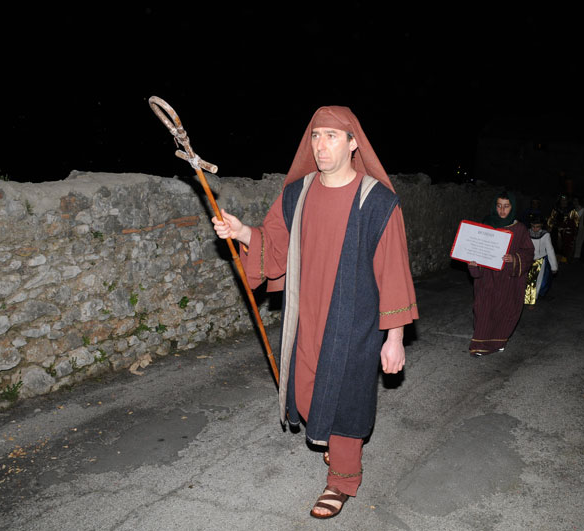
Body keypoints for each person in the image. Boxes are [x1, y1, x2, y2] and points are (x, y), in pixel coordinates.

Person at [211, 106, 418, 519]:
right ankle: (330, 437)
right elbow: (274, 243)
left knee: (346, 397)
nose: (320, 145)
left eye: (331, 136)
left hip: (355, 320)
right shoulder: (298, 193)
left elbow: (393, 269)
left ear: (353, 143)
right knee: (307, 388)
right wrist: (241, 233)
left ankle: (343, 477)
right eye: (316, 136)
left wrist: (393, 337)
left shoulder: (377, 202)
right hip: (306, 316)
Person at [468, 192, 534, 356]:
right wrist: (473, 263)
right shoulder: (486, 225)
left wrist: (515, 258)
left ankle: (498, 342)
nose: (502, 210)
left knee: (503, 311)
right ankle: (479, 346)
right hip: (487, 278)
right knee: (482, 308)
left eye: (506, 206)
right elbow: (476, 247)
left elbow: (528, 253)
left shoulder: (519, 229)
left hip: (508, 281)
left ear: (512, 207)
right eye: (499, 206)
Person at [524, 215, 558, 307]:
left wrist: (554, 266)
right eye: (533, 226)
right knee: (526, 280)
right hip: (528, 260)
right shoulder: (526, 233)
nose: (535, 229)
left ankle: (532, 300)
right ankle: (524, 299)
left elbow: (550, 250)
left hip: (539, 260)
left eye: (537, 227)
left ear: (541, 226)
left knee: (536, 281)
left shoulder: (545, 235)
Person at [546, 194, 580, 261]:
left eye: (565, 200)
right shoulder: (556, 209)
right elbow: (551, 219)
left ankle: (565, 260)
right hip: (556, 231)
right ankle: (556, 260)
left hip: (567, 233)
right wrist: (549, 227)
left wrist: (575, 230)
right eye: (562, 200)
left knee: (566, 247)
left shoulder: (572, 210)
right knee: (555, 245)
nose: (563, 202)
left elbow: (576, 221)